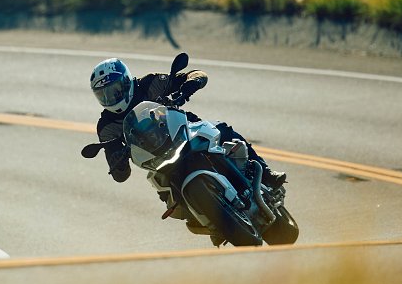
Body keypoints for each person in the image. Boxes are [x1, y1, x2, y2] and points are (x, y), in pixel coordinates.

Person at [90, 57, 287, 189]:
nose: (111, 97)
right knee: (162, 189)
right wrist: (119, 162)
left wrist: (186, 89)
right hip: (153, 160)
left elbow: (196, 74)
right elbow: (119, 174)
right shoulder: (106, 126)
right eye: (104, 95)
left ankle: (265, 173)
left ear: (125, 82)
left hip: (183, 131)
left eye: (114, 90)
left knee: (222, 130)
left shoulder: (149, 84)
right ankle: (198, 214)